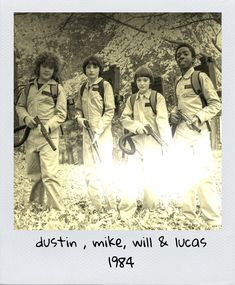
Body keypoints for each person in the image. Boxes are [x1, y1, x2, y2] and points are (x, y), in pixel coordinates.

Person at [170, 43, 222, 227]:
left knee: (204, 173)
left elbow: (216, 104)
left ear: (193, 58)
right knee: (183, 173)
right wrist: (173, 115)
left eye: (185, 54)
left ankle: (213, 219)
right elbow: (179, 106)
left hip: (199, 132)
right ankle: (188, 217)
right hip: (181, 133)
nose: (181, 57)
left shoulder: (200, 77)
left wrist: (199, 117)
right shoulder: (177, 81)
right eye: (178, 55)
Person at [16, 51, 67, 211]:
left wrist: (49, 125)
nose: (47, 70)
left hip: (48, 137)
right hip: (31, 137)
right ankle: (36, 206)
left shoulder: (57, 88)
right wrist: (25, 118)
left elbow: (61, 114)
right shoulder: (27, 88)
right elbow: (20, 106)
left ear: (54, 70)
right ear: (38, 67)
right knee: (34, 174)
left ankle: (57, 210)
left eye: (51, 68)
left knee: (49, 175)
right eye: (44, 66)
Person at [119, 66, 172, 219]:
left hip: (153, 144)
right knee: (131, 176)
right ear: (136, 82)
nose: (142, 83)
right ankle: (127, 210)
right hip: (135, 144)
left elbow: (162, 121)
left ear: (150, 82)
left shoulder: (157, 98)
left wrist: (166, 143)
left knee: (151, 176)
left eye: (145, 80)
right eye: (139, 80)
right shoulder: (132, 99)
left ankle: (150, 210)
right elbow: (124, 118)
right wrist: (137, 127)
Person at [75, 55, 116, 211]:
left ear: (100, 69)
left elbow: (110, 111)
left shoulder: (105, 86)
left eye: (94, 67)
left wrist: (98, 131)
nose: (91, 70)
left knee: (105, 169)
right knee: (89, 170)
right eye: (88, 67)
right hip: (87, 134)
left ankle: (111, 207)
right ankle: (97, 208)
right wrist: (79, 119)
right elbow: (78, 110)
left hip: (103, 135)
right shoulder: (82, 88)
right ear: (85, 70)